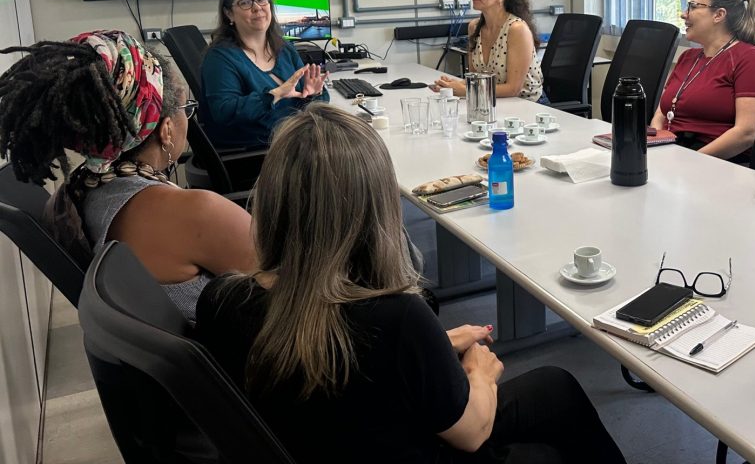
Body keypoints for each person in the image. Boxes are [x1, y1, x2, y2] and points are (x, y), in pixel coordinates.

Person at [196, 104, 625, 463]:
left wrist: (434, 344)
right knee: (553, 425)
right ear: (375, 207)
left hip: (331, 441)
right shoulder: (397, 318)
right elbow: (473, 431)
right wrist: (480, 373)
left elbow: (350, 366)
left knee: (554, 387)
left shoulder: (221, 300)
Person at [0, 30, 254, 321]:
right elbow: (288, 282)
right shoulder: (193, 212)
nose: (189, 117)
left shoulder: (79, 192)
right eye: (188, 109)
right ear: (166, 129)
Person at [651, 0, 755, 161]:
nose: (683, 14)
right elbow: (662, 113)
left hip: (719, 164)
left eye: (693, 7)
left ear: (719, 15)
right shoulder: (688, 57)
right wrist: (657, 145)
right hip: (674, 154)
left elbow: (747, 133)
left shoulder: (751, 60)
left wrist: (691, 161)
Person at [201, 0, 329, 149]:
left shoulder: (284, 48)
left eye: (261, 0)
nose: (257, 8)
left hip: (297, 138)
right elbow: (224, 111)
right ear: (229, 13)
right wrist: (275, 94)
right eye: (245, 3)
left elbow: (313, 102)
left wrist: (313, 94)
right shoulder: (220, 58)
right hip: (262, 150)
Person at [431, 0, 545, 102]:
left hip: (529, 105)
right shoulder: (474, 27)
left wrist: (466, 90)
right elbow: (476, 78)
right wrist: (452, 85)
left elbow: (514, 89)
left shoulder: (517, 29)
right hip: (492, 101)